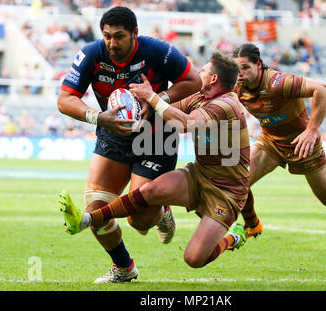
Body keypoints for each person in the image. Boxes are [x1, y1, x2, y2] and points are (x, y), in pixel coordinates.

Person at [58, 51, 250, 269]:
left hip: (226, 192)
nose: (198, 73)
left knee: (194, 259)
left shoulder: (226, 106)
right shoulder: (199, 97)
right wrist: (137, 108)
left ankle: (233, 238)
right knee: (149, 192)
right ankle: (85, 220)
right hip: (200, 175)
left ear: (213, 79)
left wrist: (152, 97)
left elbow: (184, 123)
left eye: (203, 70)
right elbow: (165, 112)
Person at [57, 6, 201, 283]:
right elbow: (64, 99)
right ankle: (124, 268)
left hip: (157, 136)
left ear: (135, 33)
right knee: (95, 209)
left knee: (140, 222)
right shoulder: (91, 55)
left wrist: (159, 99)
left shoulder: (158, 51)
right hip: (113, 130)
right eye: (108, 36)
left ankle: (162, 211)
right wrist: (97, 117)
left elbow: (194, 81)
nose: (112, 43)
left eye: (119, 36)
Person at [231, 43, 326, 274]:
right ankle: (252, 223)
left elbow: (324, 89)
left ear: (258, 64)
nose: (241, 73)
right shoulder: (237, 86)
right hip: (271, 143)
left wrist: (312, 130)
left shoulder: (278, 83)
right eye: (237, 69)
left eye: (245, 67)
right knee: (236, 179)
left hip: (304, 145)